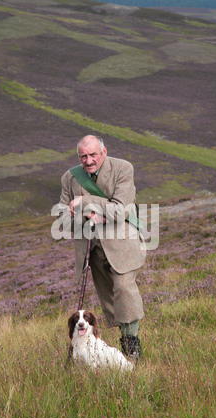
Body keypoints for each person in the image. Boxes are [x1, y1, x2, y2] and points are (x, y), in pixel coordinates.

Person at [57, 135, 146, 360]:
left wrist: (83, 203)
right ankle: (117, 348)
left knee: (124, 289)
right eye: (83, 156)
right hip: (93, 250)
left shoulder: (123, 169)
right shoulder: (69, 178)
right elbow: (63, 219)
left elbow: (121, 210)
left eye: (93, 154)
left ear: (104, 152)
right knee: (109, 299)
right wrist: (88, 215)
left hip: (123, 245)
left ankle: (131, 346)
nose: (88, 160)